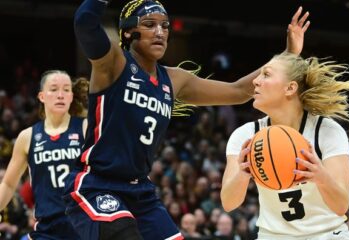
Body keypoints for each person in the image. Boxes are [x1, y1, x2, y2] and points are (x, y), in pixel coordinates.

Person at [63, 0, 310, 239]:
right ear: (128, 33)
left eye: (165, 25)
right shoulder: (114, 63)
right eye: (149, 24)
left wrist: (287, 55)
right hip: (97, 184)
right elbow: (85, 22)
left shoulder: (173, 79)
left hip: (140, 191)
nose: (160, 32)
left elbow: (238, 91)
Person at [221, 51, 349, 239]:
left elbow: (341, 206)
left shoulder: (326, 131)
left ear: (290, 88)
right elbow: (228, 203)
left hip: (327, 234)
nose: (255, 81)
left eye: (266, 74)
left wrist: (321, 176)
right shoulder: (245, 135)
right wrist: (242, 174)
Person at [0, 70, 88, 239]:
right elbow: (9, 185)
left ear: (71, 96)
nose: (60, 95)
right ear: (41, 96)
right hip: (47, 230)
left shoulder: (86, 128)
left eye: (66, 90)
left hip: (84, 226)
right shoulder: (27, 137)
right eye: (54, 89)